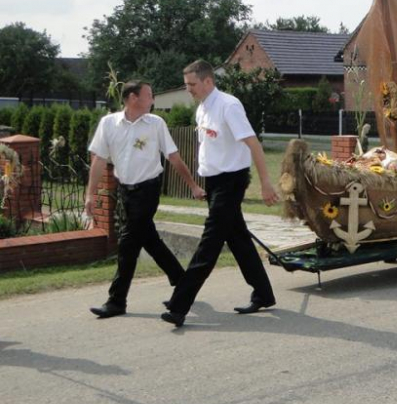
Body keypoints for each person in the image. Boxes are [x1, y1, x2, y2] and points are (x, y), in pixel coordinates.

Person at [162, 60, 279, 327]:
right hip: (215, 183)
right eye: (186, 84)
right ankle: (263, 293)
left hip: (231, 182)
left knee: (210, 242)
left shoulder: (229, 106)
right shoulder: (202, 109)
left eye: (191, 84)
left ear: (208, 82)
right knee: (238, 239)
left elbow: (253, 144)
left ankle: (180, 304)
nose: (188, 89)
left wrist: (265, 183)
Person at [86, 81, 205, 319]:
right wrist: (89, 193)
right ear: (133, 98)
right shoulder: (108, 124)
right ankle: (183, 283)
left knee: (128, 243)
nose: (153, 100)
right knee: (150, 240)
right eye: (149, 95)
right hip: (125, 192)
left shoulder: (156, 124)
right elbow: (99, 160)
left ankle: (116, 300)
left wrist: (192, 185)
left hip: (148, 190)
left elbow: (172, 156)